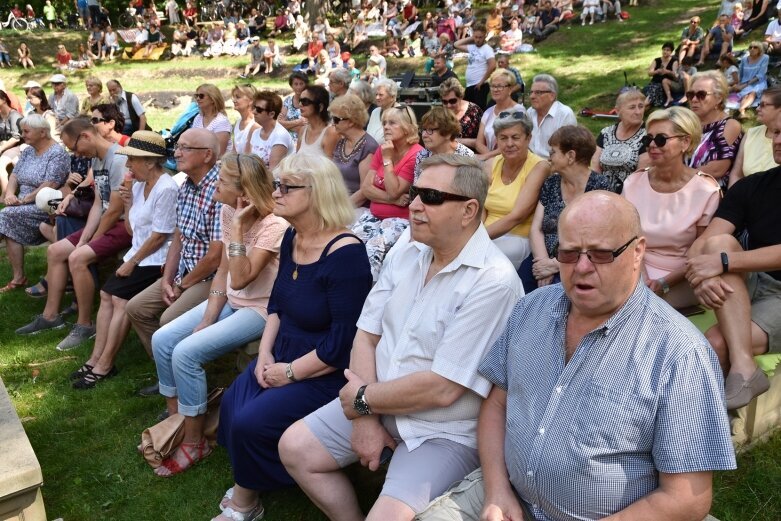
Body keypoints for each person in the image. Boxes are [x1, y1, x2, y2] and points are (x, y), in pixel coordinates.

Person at [418, 190, 736, 521]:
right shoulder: (531, 309)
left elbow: (687, 499)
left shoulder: (680, 353)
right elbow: (497, 406)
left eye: (600, 254)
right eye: (569, 254)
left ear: (638, 251)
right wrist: (497, 491)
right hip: (508, 495)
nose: (581, 268)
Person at [280, 153, 523, 521]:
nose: (414, 205)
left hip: (440, 429)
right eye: (415, 193)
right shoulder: (409, 249)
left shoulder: (493, 280)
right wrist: (364, 416)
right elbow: (366, 334)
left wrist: (362, 401)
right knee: (295, 448)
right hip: (374, 399)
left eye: (431, 197)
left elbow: (443, 388)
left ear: (469, 210)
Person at [211, 154, 371, 520]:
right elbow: (277, 306)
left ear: (316, 194)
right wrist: (265, 353)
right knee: (235, 403)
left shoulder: (345, 254)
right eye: (276, 185)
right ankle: (249, 486)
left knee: (251, 422)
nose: (275, 193)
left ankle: (245, 502)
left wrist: (290, 372)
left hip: (323, 368)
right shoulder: (292, 238)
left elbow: (342, 342)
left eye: (286, 186)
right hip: (281, 350)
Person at [151, 153, 288, 478]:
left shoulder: (274, 225)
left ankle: (195, 442)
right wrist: (207, 318)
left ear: (243, 190)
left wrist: (240, 227)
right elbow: (225, 273)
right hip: (232, 298)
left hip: (263, 309)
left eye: (223, 180)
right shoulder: (229, 210)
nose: (216, 183)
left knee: (186, 353)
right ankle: (177, 423)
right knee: (163, 339)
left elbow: (242, 277)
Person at [685, 109, 781, 411]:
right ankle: (744, 368)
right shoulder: (752, 186)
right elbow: (704, 244)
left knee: (716, 343)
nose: (778, 140)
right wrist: (704, 276)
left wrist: (723, 265)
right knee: (720, 242)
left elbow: (723, 260)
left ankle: (706, 427)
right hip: (747, 282)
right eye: (776, 132)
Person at [71, 131, 178, 389]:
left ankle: (105, 364)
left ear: (150, 162)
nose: (128, 166)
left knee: (119, 298)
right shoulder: (140, 185)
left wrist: (131, 263)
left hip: (157, 261)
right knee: (107, 295)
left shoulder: (166, 187)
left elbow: (159, 237)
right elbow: (132, 231)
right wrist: (129, 203)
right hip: (139, 255)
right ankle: (96, 358)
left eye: (132, 160)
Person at [14, 118, 130, 349]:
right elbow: (99, 203)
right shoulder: (98, 161)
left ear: (86, 136)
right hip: (108, 222)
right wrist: (86, 237)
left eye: (74, 148)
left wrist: (91, 240)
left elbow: (115, 209)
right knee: (56, 251)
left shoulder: (118, 159)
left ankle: (84, 324)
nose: (75, 154)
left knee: (78, 257)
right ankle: (50, 317)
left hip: (125, 226)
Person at [125, 129, 223, 396]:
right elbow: (177, 239)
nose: (176, 153)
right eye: (178, 147)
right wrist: (168, 278)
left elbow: (216, 256)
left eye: (185, 148)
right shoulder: (186, 186)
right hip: (185, 274)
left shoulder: (220, 190)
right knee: (136, 308)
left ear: (207, 155)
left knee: (167, 319)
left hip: (212, 279)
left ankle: (188, 383)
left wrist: (181, 286)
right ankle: (169, 377)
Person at [623, 107, 721, 308]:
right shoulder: (633, 182)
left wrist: (664, 283)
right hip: (632, 267)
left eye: (660, 139)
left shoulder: (705, 190)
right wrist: (641, 277)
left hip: (682, 276)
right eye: (647, 139)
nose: (652, 145)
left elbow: (703, 251)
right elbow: (627, 238)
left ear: (685, 142)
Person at [527, 126, 611, 291]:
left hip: (580, 264)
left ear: (570, 156)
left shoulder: (599, 187)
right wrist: (542, 262)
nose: (549, 157)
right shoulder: (551, 183)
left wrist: (555, 265)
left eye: (553, 152)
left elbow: (597, 238)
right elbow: (536, 228)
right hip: (542, 258)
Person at [351, 106, 423, 279]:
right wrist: (392, 200)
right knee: (349, 241)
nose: (386, 127)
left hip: (400, 219)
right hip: (375, 214)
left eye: (392, 123)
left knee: (374, 249)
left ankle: (367, 292)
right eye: (384, 123)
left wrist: (387, 159)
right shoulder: (382, 149)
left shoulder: (416, 154)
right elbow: (367, 188)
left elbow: (394, 190)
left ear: (407, 127)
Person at [0, 115, 70, 293]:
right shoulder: (29, 150)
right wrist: (9, 193)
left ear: (43, 132)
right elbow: (15, 175)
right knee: (8, 217)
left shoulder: (57, 153)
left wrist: (24, 200)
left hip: (45, 204)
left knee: (6, 216)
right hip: (22, 204)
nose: (23, 135)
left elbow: (50, 184)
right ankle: (18, 277)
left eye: (26, 131)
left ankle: (18, 277)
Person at [483, 110, 550, 270]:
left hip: (517, 237)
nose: (509, 144)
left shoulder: (539, 166)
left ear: (528, 138)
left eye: (515, 137)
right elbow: (480, 207)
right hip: (485, 235)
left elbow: (517, 216)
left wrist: (475, 239)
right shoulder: (491, 164)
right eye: (503, 138)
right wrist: (473, 235)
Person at [688, 71, 743, 181]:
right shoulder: (688, 124)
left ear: (719, 98)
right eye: (690, 95)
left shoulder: (729, 125)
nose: (694, 99)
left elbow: (716, 169)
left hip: (710, 191)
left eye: (701, 95)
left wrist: (678, 176)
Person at [592, 89, 649, 193]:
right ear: (618, 111)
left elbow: (641, 176)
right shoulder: (606, 133)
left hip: (632, 194)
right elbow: (595, 168)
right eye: (632, 107)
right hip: (602, 193)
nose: (638, 112)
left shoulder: (648, 135)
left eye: (641, 106)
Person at [329, 93, 379, 207]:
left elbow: (364, 192)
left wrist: (340, 210)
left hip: (355, 207)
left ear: (351, 121)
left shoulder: (368, 147)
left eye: (336, 119)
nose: (333, 123)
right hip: (336, 202)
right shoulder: (342, 142)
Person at [729, 85, 781, 186]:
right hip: (743, 198)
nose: (757, 109)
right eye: (758, 104)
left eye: (763, 105)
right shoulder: (751, 133)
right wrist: (733, 198)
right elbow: (736, 174)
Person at [413, 106, 475, 182]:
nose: (424, 135)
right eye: (424, 129)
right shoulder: (423, 155)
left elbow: (468, 192)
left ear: (448, 133)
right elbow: (417, 187)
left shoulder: (466, 158)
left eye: (430, 130)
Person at [475, 69, 525, 161]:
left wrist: (487, 156)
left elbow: (512, 143)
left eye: (500, 86)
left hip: (511, 161)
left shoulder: (518, 111)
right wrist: (490, 158)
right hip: (490, 160)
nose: (495, 89)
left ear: (510, 89)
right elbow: (478, 143)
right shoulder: (488, 112)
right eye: (493, 86)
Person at [526, 74, 577, 160]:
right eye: (531, 92)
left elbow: (567, 151)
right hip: (529, 162)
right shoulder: (530, 112)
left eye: (538, 93)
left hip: (553, 166)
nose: (532, 96)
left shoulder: (564, 114)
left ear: (552, 96)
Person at [454, 25, 496, 110]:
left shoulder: (487, 49)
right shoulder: (472, 47)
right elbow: (456, 44)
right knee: (466, 110)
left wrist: (481, 82)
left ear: (485, 36)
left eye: (480, 37)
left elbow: (492, 66)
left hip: (480, 86)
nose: (478, 40)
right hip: (470, 86)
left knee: (478, 110)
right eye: (476, 37)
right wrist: (471, 38)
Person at [438, 77, 482, 150]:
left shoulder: (474, 112)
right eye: (445, 102)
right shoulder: (439, 114)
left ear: (461, 97)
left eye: (452, 101)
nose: (448, 105)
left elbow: (482, 142)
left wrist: (454, 141)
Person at [295, 85, 338, 158]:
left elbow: (329, 167)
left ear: (320, 107)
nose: (300, 105)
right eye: (300, 100)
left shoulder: (331, 133)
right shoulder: (302, 130)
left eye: (305, 101)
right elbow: (296, 160)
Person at [731, 41, 769, 120]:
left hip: (758, 81)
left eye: (755, 47)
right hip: (745, 81)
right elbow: (740, 73)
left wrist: (745, 85)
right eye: (750, 47)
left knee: (752, 93)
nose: (752, 49)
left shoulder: (765, 57)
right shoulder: (744, 59)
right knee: (745, 95)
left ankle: (741, 109)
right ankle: (742, 113)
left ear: (760, 49)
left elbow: (760, 75)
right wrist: (739, 84)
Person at [192, 83, 232, 157]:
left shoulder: (222, 121)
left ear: (212, 99)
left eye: (201, 96)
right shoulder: (198, 118)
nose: (197, 99)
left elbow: (219, 153)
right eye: (196, 96)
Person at [0, 90, 23, 192]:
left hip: (18, 146)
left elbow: (16, 138)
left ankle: (5, 193)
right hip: (5, 147)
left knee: (2, 164)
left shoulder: (14, 115)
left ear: (4, 100)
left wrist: (1, 148)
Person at [644, 41, 678, 108]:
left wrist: (667, 72)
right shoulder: (657, 60)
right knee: (650, 91)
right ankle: (645, 106)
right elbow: (649, 73)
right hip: (654, 83)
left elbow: (675, 75)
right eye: (664, 49)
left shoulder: (674, 61)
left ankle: (644, 104)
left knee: (654, 91)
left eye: (668, 50)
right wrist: (656, 71)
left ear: (671, 52)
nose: (665, 51)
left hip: (664, 85)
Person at [278, 72, 308, 147]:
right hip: (286, 140)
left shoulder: (310, 101)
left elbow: (305, 129)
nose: (298, 87)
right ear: (291, 85)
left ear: (306, 84)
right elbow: (279, 124)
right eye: (296, 84)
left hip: (304, 141)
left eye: (301, 84)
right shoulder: (287, 100)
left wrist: (288, 124)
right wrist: (298, 122)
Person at [366, 79, 398, 144]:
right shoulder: (375, 112)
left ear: (392, 96)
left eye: (381, 95)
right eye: (376, 94)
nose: (377, 97)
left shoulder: (399, 113)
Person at [231, 85, 258, 155]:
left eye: (238, 97)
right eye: (233, 97)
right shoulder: (238, 122)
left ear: (251, 100)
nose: (233, 100)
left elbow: (248, 155)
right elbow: (234, 151)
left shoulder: (257, 124)